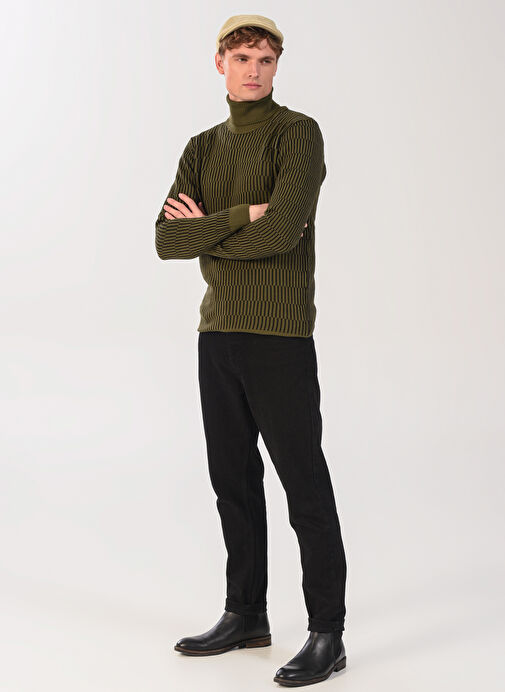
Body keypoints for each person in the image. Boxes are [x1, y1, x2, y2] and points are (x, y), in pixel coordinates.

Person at [155, 14, 348, 687]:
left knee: (303, 483)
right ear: (220, 64)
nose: (254, 70)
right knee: (232, 482)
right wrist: (243, 215)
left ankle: (327, 632)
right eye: (242, 58)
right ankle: (246, 614)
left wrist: (208, 230)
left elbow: (283, 233)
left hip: (279, 335)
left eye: (265, 59)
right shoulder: (201, 147)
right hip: (217, 334)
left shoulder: (298, 134)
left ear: (276, 66)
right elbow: (165, 241)